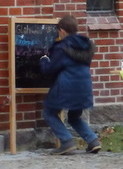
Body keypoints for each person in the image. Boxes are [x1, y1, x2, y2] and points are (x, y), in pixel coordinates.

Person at [40, 15, 100, 155]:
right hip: (84, 86)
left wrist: (43, 60)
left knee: (49, 112)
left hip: (66, 86)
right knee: (74, 117)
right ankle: (93, 141)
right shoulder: (86, 46)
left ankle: (67, 142)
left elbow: (50, 69)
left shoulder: (62, 47)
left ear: (62, 30)